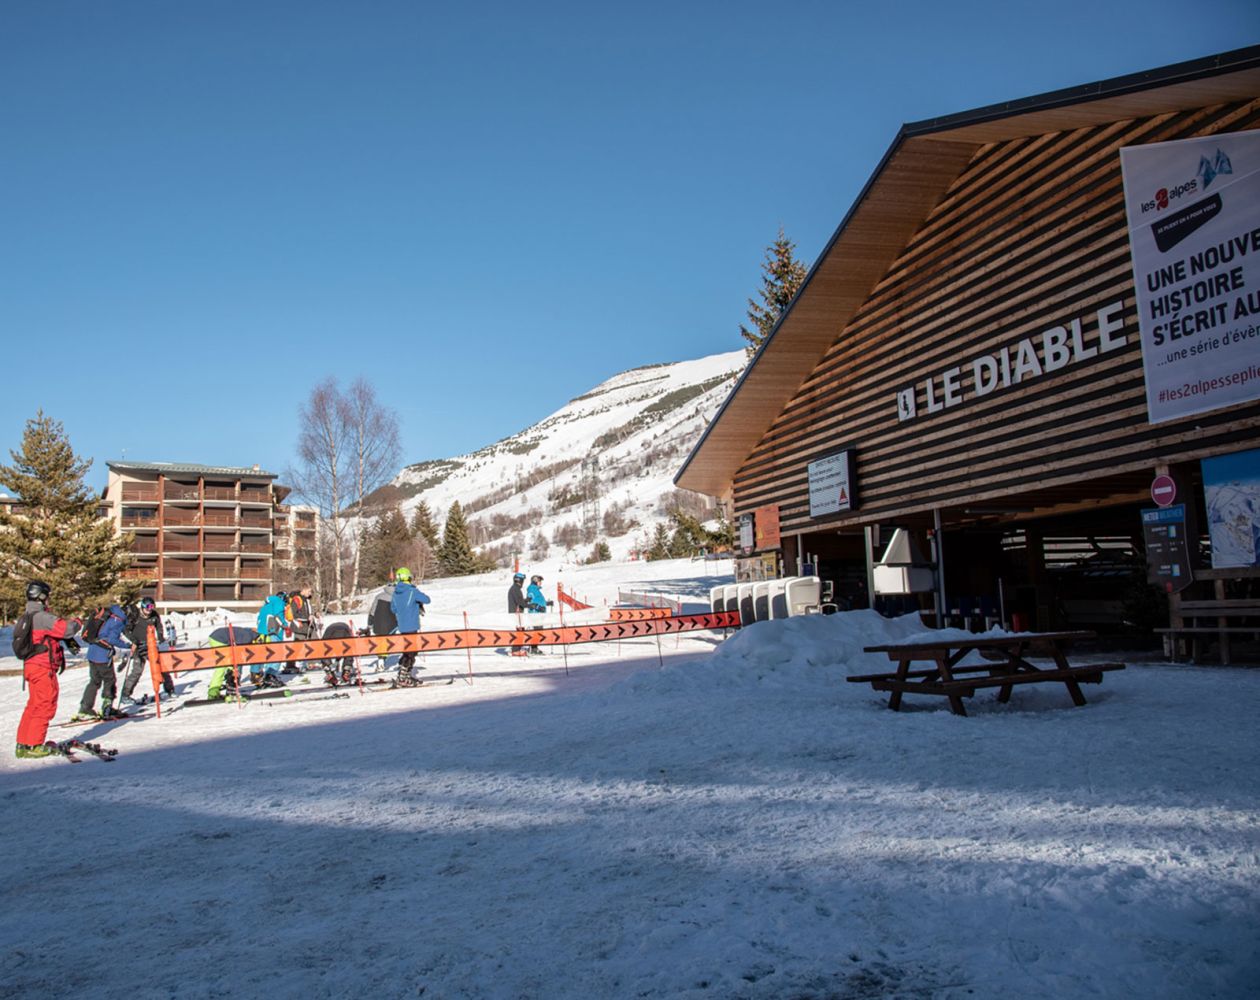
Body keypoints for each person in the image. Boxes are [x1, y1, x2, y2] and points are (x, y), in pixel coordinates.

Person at [14, 580, 82, 758]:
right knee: (46, 704)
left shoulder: (28, 615)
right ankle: (35, 744)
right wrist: (77, 622)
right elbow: (66, 629)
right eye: (47, 596)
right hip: (42, 667)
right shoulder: (42, 616)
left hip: (32, 666)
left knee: (34, 705)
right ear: (41, 596)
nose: (49, 600)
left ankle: (23, 744)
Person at [73, 603, 130, 721]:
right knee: (110, 680)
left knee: (94, 681)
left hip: (92, 652)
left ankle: (85, 708)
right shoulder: (118, 620)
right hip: (102, 655)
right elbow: (112, 639)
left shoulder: (110, 614)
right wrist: (128, 645)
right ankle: (107, 708)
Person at [119, 597, 174, 706]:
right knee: (137, 671)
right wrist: (133, 641)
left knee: (161, 666)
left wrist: (161, 637)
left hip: (151, 645)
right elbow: (125, 630)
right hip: (138, 646)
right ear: (143, 607)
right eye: (148, 607)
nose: (150, 610)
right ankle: (125, 695)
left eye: (152, 607)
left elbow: (159, 626)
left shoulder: (154, 615)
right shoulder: (135, 616)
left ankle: (169, 689)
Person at [389, 567, 431, 688]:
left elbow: (393, 609)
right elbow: (427, 600)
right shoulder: (412, 591)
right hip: (412, 625)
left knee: (408, 650)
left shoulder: (395, 593)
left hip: (402, 626)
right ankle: (403, 675)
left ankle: (405, 674)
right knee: (411, 651)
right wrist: (416, 603)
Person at [205, 625, 261, 699]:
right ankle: (230, 689)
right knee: (228, 666)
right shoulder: (248, 637)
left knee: (222, 666)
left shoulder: (248, 633)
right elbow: (239, 650)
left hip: (215, 637)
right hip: (220, 640)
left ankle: (214, 690)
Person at [252, 592, 289, 688]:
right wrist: (285, 626)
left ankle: (261, 674)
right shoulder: (278, 601)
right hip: (273, 631)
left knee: (268, 654)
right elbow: (278, 615)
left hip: (263, 632)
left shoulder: (266, 605)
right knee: (278, 653)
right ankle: (270, 675)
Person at [282, 587, 315, 674]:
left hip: (308, 626)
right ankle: (290, 665)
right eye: (309, 591)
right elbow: (295, 614)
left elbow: (308, 611)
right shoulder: (297, 599)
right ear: (303, 590)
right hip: (299, 626)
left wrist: (314, 614)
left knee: (316, 642)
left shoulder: (306, 600)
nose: (310, 593)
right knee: (297, 646)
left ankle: (312, 662)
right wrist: (307, 618)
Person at [320, 620, 357, 686]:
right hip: (343, 631)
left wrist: (329, 663)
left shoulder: (329, 633)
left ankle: (329, 672)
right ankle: (346, 671)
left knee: (324, 653)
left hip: (331, 632)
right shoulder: (347, 630)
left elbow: (323, 647)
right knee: (348, 651)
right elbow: (351, 645)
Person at [507, 572, 530, 657]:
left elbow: (519, 600)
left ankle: (517, 649)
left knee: (521, 631)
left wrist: (526, 600)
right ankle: (515, 650)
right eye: (523, 580)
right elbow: (520, 603)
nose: (523, 582)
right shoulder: (515, 589)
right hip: (517, 614)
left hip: (517, 613)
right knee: (520, 632)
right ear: (519, 580)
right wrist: (530, 605)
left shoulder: (515, 588)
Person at [525, 574, 550, 654]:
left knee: (539, 631)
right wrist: (538, 607)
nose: (541, 583)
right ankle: (533, 648)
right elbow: (531, 601)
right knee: (537, 631)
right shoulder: (532, 589)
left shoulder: (536, 589)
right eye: (539, 581)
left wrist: (546, 603)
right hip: (535, 614)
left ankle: (534, 647)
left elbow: (538, 600)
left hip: (539, 613)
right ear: (535, 581)